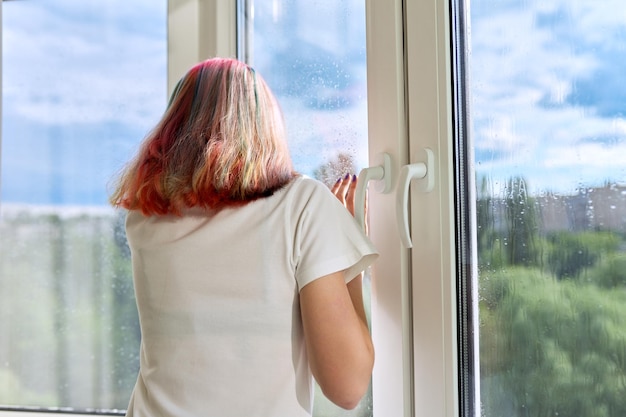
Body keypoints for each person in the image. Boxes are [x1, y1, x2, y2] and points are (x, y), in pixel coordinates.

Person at [110, 57, 378, 417]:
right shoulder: (302, 205)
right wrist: (348, 259)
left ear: (174, 127)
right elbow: (347, 389)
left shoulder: (145, 217)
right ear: (264, 126)